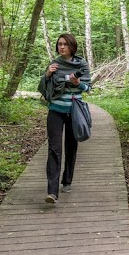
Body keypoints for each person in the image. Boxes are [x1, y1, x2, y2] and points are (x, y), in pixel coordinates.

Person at [37, 33, 92, 204]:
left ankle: (67, 180)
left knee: (71, 147)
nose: (61, 47)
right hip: (55, 110)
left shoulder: (81, 64)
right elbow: (42, 88)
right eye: (59, 44)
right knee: (54, 149)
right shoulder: (54, 64)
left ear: (72, 46)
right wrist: (47, 74)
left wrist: (78, 84)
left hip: (74, 111)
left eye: (65, 44)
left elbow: (88, 87)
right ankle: (52, 192)